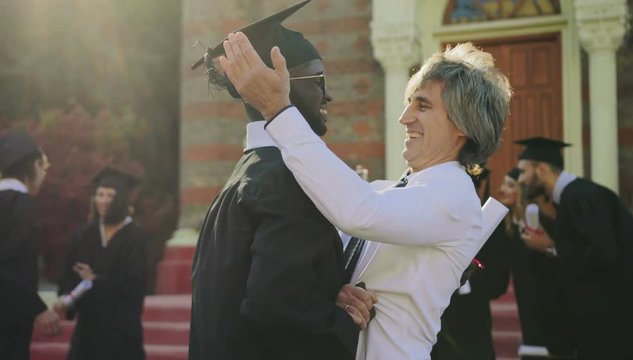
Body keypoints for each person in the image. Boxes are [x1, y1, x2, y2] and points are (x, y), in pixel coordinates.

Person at [219, 32, 513, 359]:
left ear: (464, 124)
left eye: (423, 105)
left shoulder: (455, 197)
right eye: (408, 103)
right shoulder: (394, 190)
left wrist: (278, 109)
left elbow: (359, 212)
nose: (404, 118)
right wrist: (340, 291)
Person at [188, 2, 375, 360]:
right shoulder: (290, 180)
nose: (329, 95)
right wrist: (346, 323)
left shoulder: (247, 173)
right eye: (318, 80)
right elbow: (279, 313)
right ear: (278, 82)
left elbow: (260, 294)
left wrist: (322, 294)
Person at [515, 136, 633, 359]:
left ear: (542, 169)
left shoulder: (581, 197)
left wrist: (551, 245)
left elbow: (604, 254)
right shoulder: (575, 196)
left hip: (611, 324)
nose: (520, 180)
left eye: (524, 172)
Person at [55, 167, 148, 360]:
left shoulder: (136, 236)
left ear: (121, 199)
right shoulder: (84, 234)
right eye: (100, 194)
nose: (103, 201)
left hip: (121, 327)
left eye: (110, 195)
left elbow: (135, 282)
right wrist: (65, 296)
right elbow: (68, 273)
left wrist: (95, 279)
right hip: (88, 326)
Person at [431, 170, 511, 360]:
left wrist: (468, 274)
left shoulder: (491, 224)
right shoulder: (433, 216)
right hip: (435, 317)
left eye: (477, 186)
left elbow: (498, 282)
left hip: (472, 318)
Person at [499, 168, 575, 359]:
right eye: (503, 184)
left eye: (510, 185)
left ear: (521, 190)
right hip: (524, 298)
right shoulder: (507, 223)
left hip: (548, 299)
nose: (502, 190)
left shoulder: (541, 221)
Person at [0, 126, 60, 360]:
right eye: (44, 167)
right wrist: (38, 308)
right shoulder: (19, 204)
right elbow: (11, 267)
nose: (44, 175)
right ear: (34, 165)